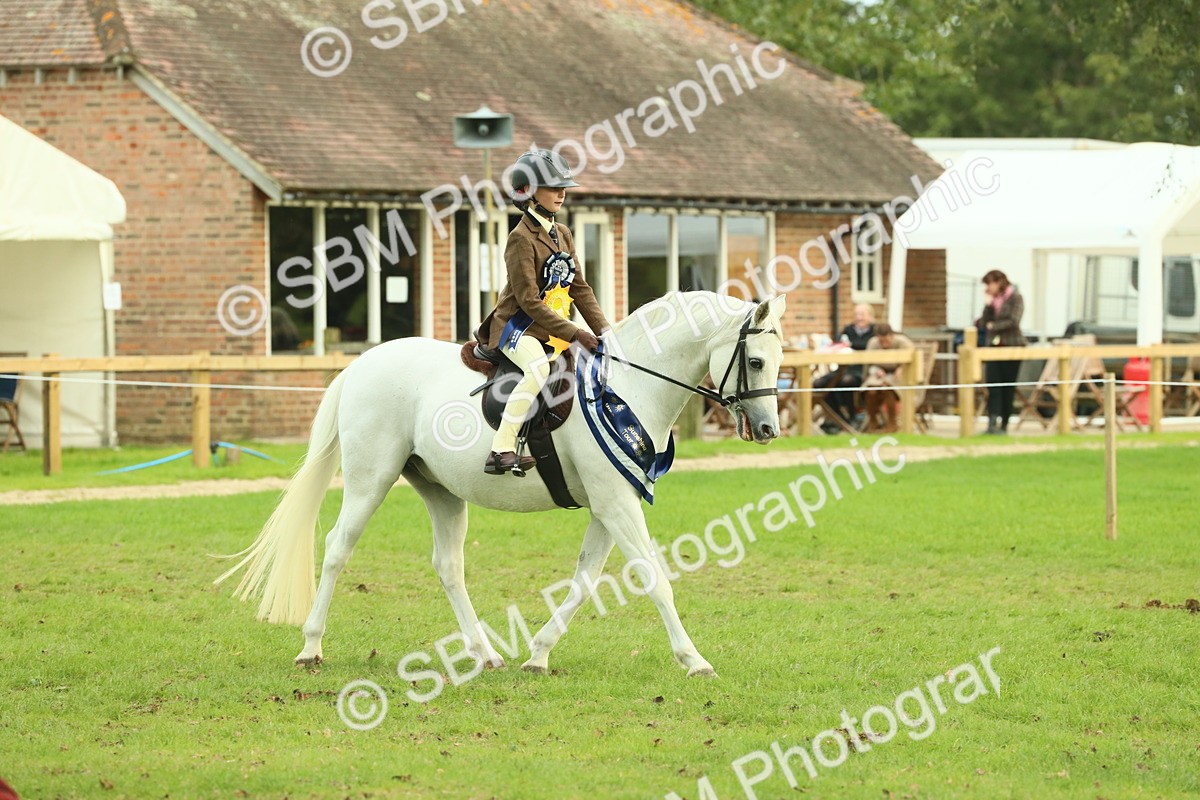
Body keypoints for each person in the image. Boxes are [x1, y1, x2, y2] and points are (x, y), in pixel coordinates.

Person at [475, 150, 611, 475]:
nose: (562, 193)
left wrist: (606, 331)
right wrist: (576, 333)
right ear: (529, 191)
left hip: (550, 328)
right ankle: (501, 450)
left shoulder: (562, 233)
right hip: (517, 327)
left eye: (564, 187)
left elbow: (580, 288)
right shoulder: (520, 239)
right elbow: (529, 302)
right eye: (553, 187)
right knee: (537, 369)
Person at [976, 269, 1025, 434]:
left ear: (999, 282)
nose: (987, 288)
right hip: (993, 348)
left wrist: (993, 326)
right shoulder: (992, 302)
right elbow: (983, 323)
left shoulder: (1016, 298)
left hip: (1011, 347)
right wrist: (988, 305)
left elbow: (1013, 321)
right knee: (993, 386)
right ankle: (991, 422)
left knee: (1007, 387)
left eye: (989, 284)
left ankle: (1004, 423)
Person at [813, 304, 875, 432]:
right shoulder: (848, 329)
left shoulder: (875, 331)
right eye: (856, 314)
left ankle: (853, 416)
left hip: (862, 370)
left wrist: (851, 344)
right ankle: (840, 419)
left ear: (870, 316)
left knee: (846, 381)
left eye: (862, 314)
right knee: (819, 383)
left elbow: (869, 345)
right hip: (843, 368)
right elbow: (839, 343)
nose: (859, 318)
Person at [862, 322, 914, 432]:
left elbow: (912, 359)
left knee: (887, 388)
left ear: (892, 336)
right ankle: (873, 420)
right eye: (881, 341)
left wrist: (902, 368)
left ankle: (892, 422)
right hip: (878, 374)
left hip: (898, 375)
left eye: (886, 341)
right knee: (871, 390)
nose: (884, 344)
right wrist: (876, 370)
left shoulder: (903, 342)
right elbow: (868, 363)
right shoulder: (873, 344)